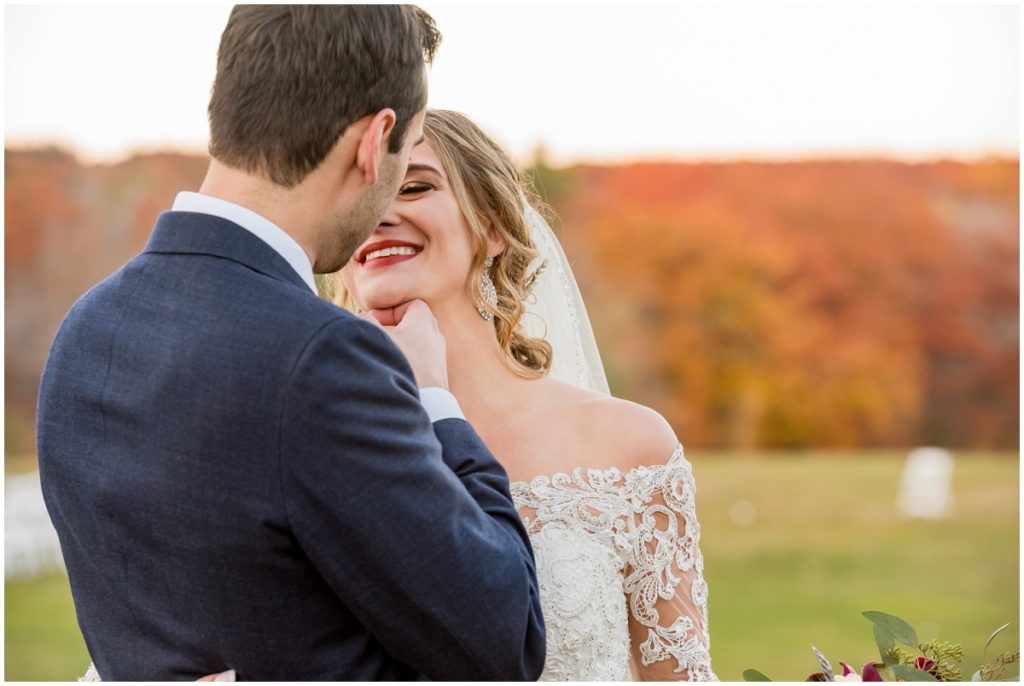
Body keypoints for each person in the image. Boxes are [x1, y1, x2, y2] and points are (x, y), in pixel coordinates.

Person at [37, 7, 544, 681]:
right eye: (407, 155)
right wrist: (435, 401)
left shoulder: (85, 331)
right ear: (375, 141)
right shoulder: (321, 358)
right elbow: (505, 639)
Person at [333, 108, 716, 681]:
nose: (381, 214)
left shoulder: (629, 446)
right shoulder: (317, 447)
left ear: (492, 226)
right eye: (360, 199)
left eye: (413, 186)